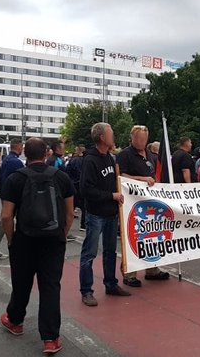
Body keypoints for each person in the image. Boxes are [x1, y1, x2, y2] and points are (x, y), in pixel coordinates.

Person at [0, 137, 74, 353]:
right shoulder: (61, 177)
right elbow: (69, 213)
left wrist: (12, 239)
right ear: (46, 154)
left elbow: (6, 216)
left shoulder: (15, 179)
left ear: (25, 154)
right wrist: (62, 234)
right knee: (50, 286)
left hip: (24, 239)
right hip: (53, 240)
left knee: (21, 282)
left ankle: (15, 321)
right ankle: (50, 338)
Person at [79, 123, 131, 307]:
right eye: (111, 133)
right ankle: (86, 291)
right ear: (102, 137)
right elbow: (85, 190)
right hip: (96, 214)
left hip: (110, 214)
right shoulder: (90, 160)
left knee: (110, 251)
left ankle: (111, 284)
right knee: (90, 253)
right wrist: (111, 196)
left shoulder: (110, 158)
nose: (113, 136)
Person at [118, 125, 171, 286]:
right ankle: (129, 274)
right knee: (133, 237)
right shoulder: (125, 155)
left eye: (143, 139)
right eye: (138, 138)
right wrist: (142, 179)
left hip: (149, 202)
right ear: (132, 138)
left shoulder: (149, 154)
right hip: (132, 205)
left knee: (152, 234)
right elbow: (122, 175)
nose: (141, 141)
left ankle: (152, 269)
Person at [0, 139, 24, 260]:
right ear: (19, 147)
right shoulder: (16, 162)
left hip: (5, 193)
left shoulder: (6, 159)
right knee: (7, 220)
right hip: (13, 195)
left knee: (6, 219)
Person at [66, 147, 86, 231]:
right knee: (84, 206)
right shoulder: (85, 161)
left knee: (71, 206)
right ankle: (83, 225)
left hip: (72, 184)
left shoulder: (72, 160)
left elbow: (67, 171)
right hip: (81, 185)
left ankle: (66, 225)